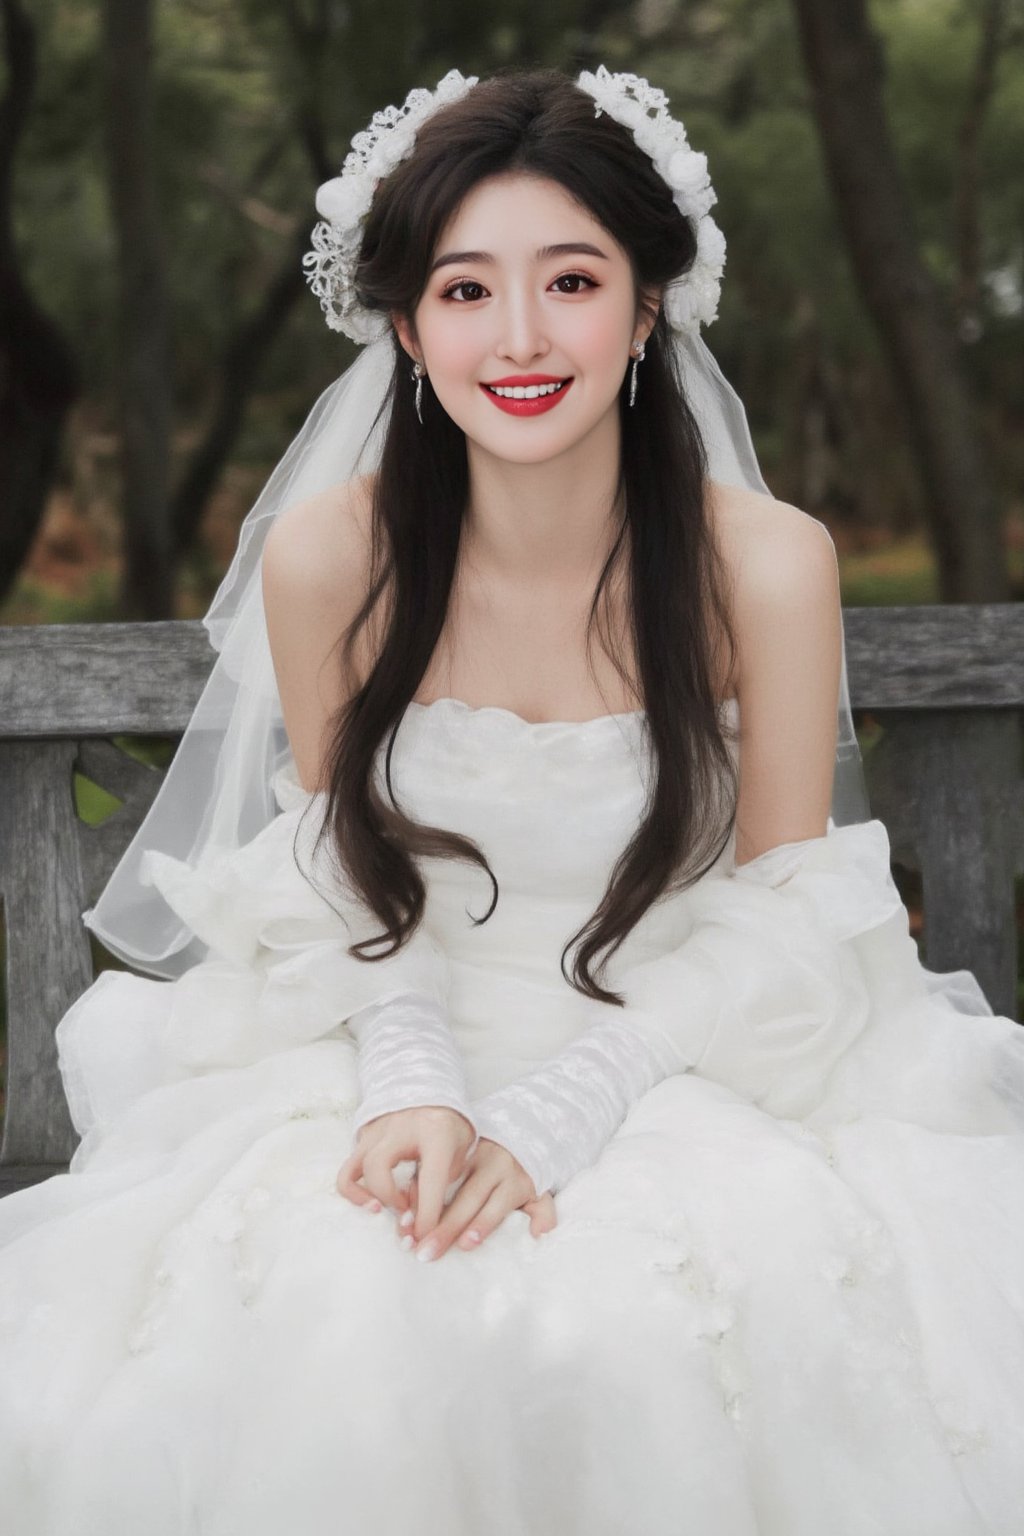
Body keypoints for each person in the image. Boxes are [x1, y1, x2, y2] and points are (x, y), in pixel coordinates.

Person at [0, 64, 1022, 1536]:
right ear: (408, 326)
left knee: (664, 1316)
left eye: (574, 280)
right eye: (468, 291)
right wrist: (417, 1074)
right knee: (341, 1295)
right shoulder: (332, 556)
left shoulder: (766, 563)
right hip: (390, 1020)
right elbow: (342, 854)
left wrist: (568, 1105)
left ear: (650, 304)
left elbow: (792, 904)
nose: (524, 338)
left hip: (697, 1046)